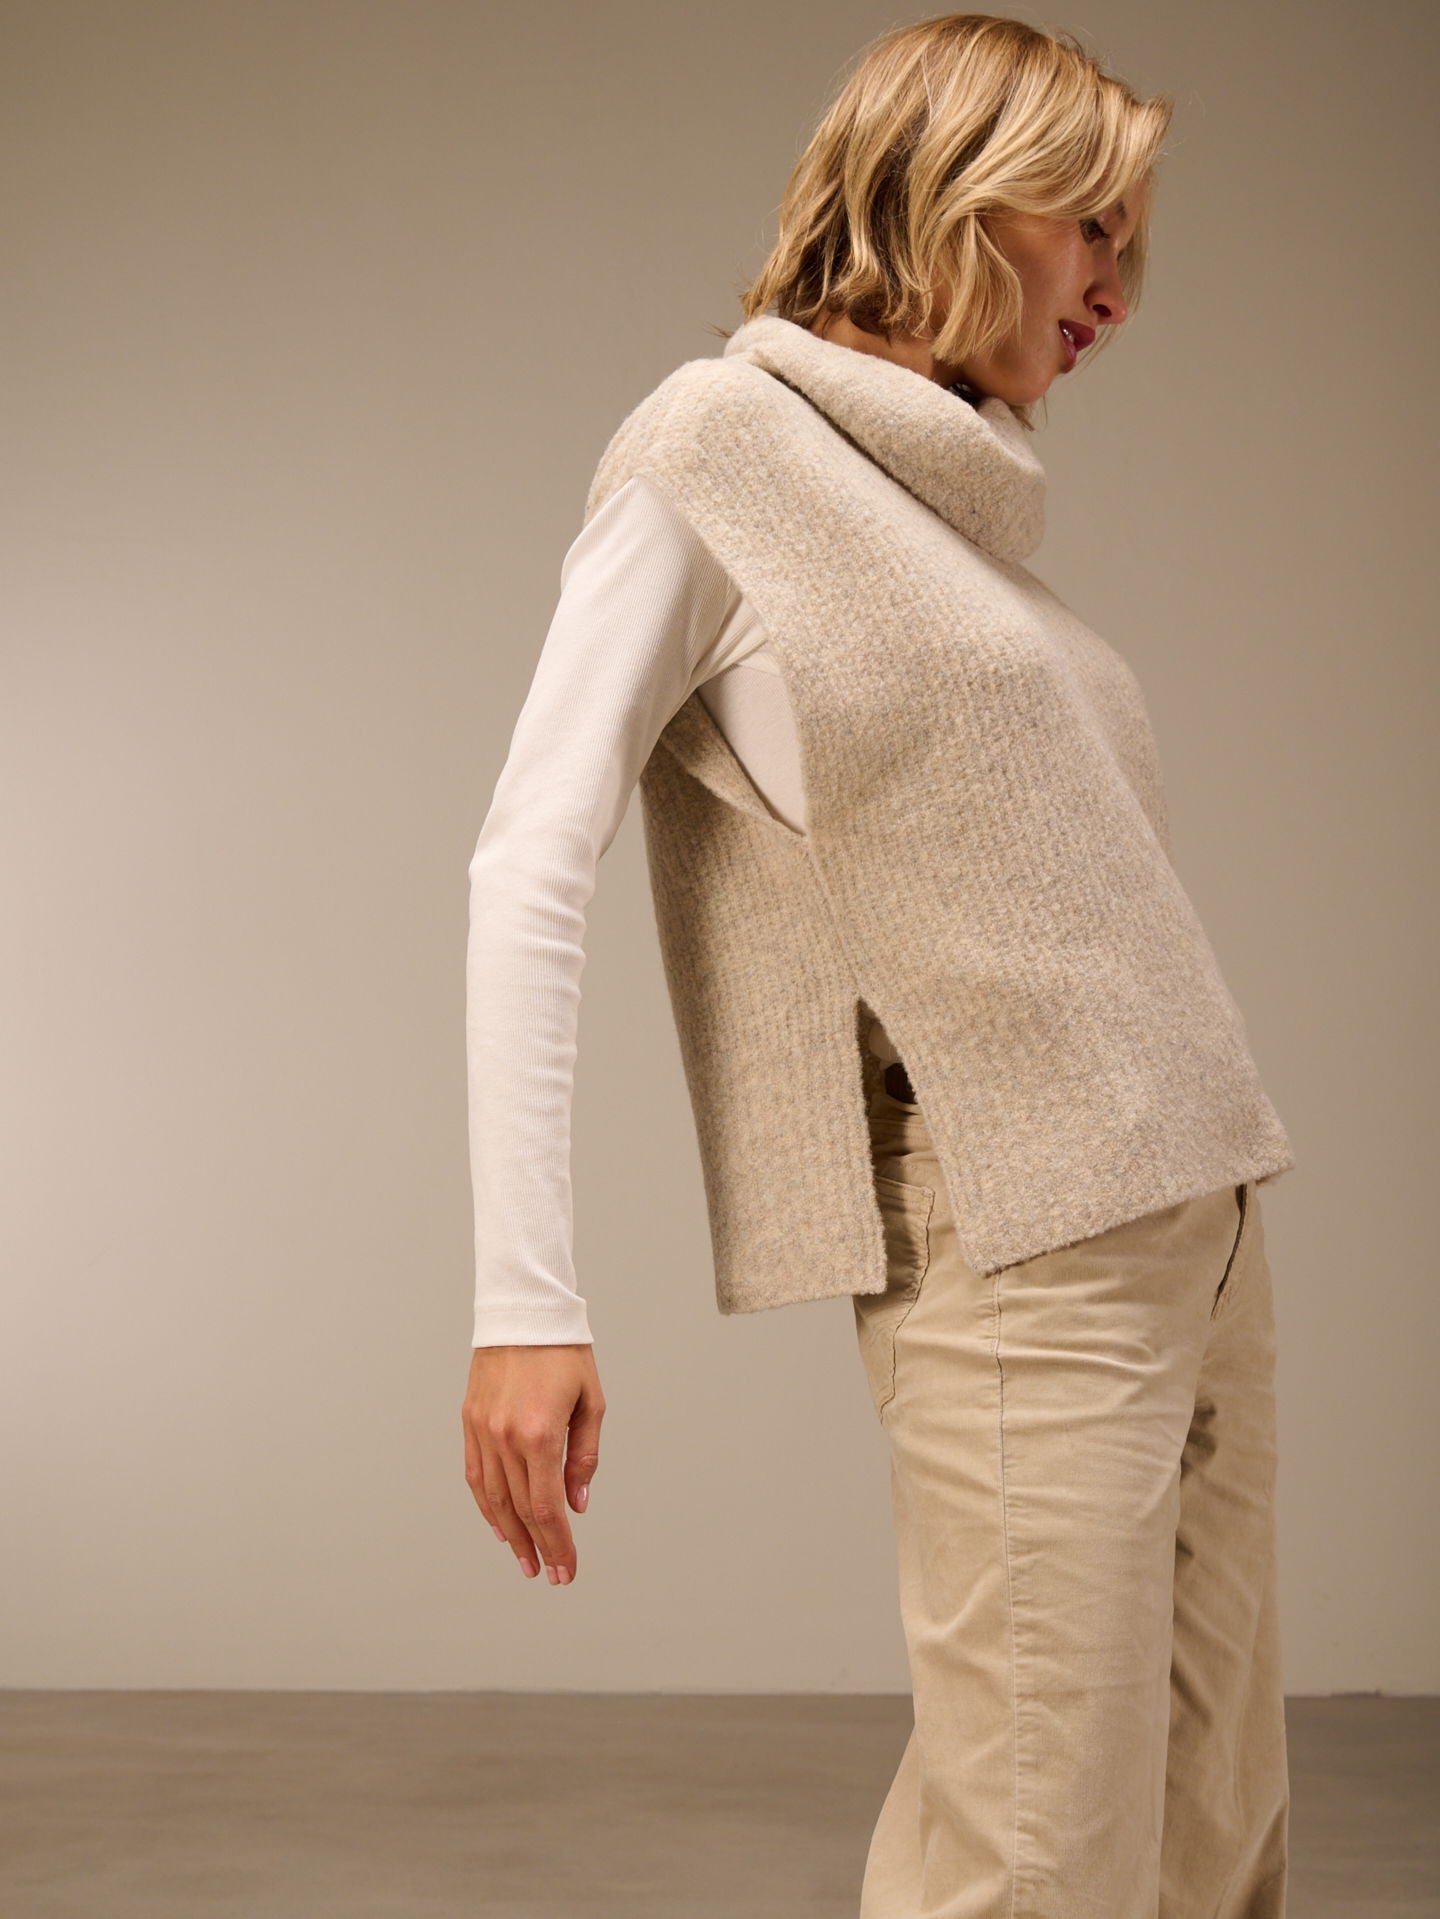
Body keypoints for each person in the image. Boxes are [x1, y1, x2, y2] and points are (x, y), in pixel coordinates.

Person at [461, 13, 1295, 1914]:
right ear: (956, 187)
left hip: (1206, 1217)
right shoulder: (718, 445)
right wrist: (526, 1303)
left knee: (1210, 1850)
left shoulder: (954, 510)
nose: (1118, 290)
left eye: (1134, 245)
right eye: (1090, 228)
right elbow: (528, 857)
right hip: (1024, 1243)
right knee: (1037, 1859)